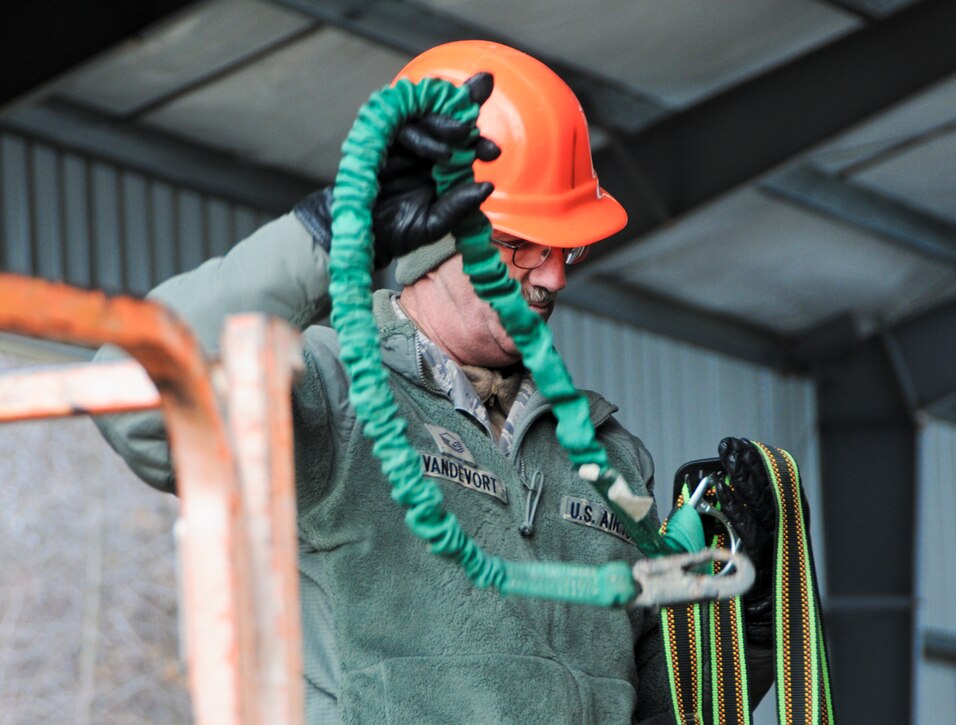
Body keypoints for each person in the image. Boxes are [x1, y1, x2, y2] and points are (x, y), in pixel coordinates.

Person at [94, 40, 775, 723]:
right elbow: (134, 396)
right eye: (521, 247)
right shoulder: (330, 394)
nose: (554, 276)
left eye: (566, 248)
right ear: (433, 237)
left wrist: (749, 618)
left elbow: (665, 707)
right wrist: (331, 230)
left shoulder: (608, 455)